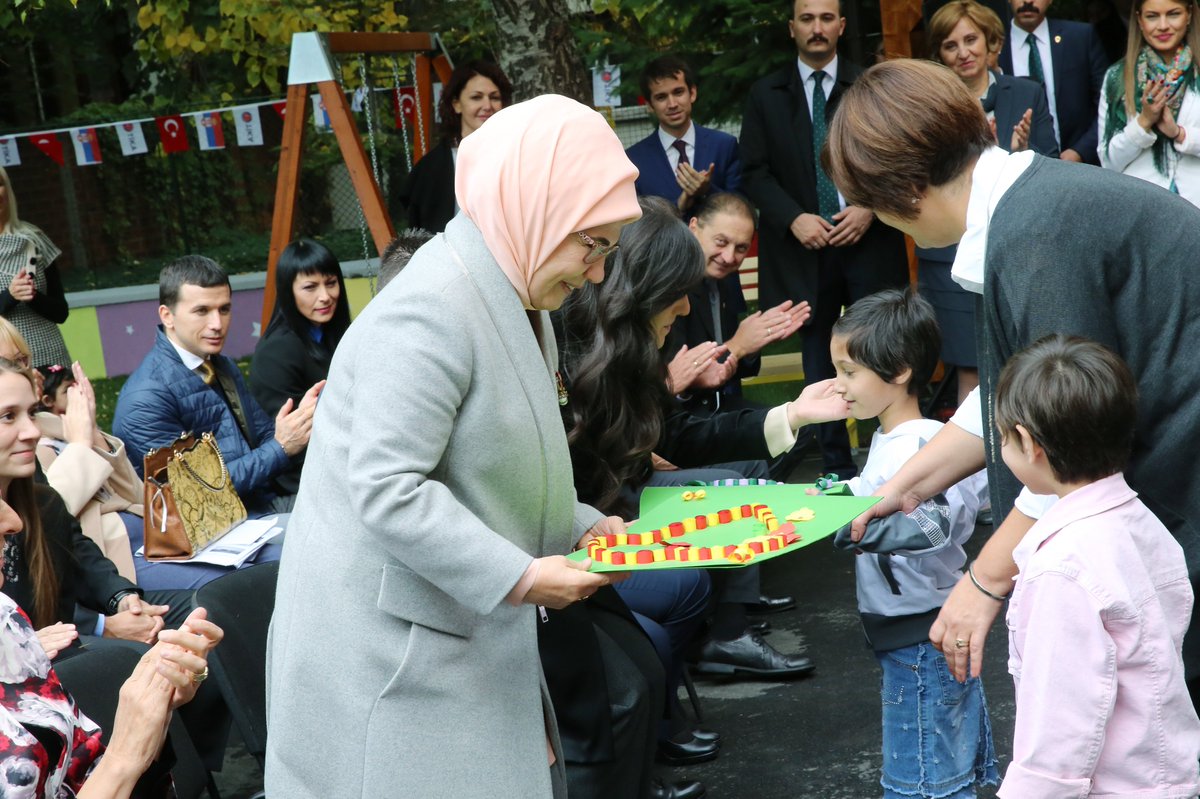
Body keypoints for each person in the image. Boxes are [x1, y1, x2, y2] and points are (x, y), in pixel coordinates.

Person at [266, 95, 638, 799]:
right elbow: (388, 488)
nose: (596, 272)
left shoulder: (511, 289)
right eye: (593, 244)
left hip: (450, 642)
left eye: (607, 250)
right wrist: (521, 577)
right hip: (391, 666)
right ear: (535, 210)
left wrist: (579, 524)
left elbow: (495, 463)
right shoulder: (429, 309)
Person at [821, 59, 1200, 708]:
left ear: (908, 190)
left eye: (875, 205)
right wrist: (901, 486)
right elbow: (1006, 392)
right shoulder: (1027, 204)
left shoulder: (1037, 235)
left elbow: (1066, 446)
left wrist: (984, 579)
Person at [559, 196, 850, 680]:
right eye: (679, 291)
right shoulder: (572, 348)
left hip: (622, 495)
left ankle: (724, 637)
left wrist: (793, 414)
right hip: (583, 523)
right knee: (687, 582)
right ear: (645, 287)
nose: (687, 304)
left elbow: (674, 433)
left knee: (739, 495)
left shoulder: (630, 341)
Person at [992, 335, 1200, 796]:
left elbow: (1060, 730)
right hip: (1165, 774)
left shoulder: (1062, 568)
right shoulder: (1143, 524)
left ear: (1027, 442)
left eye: (1003, 436)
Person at [828, 289, 997, 799]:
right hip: (914, 633)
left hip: (921, 638)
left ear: (899, 370)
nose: (839, 386)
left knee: (923, 782)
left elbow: (933, 526)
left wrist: (848, 525)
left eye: (849, 371)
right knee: (939, 773)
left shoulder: (919, 442)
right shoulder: (902, 439)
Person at [740, 0, 908, 480]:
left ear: (841, 25)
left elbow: (896, 157)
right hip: (804, 249)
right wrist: (793, 218)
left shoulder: (870, 85)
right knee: (819, 355)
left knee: (882, 345)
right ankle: (834, 464)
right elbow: (753, 171)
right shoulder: (766, 94)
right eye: (807, 18)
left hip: (868, 241)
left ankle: (893, 458)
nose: (817, 27)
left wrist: (869, 206)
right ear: (792, 27)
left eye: (827, 18)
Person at [0, 523, 222, 799]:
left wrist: (154, 707)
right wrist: (124, 756)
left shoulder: (5, 617)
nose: (14, 522)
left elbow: (79, 772)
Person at [922, 0, 1058, 404]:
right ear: (939, 54)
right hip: (951, 255)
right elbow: (924, 179)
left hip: (1018, 249)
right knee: (970, 368)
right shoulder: (929, 105)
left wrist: (1017, 153)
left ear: (990, 42)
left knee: (1029, 361)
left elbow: (1049, 167)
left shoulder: (1027, 92)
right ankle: (977, 449)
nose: (963, 52)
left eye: (971, 40)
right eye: (950, 45)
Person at [113, 256, 323, 515]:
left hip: (257, 508)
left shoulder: (220, 364)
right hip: (217, 530)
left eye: (224, 309)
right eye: (202, 311)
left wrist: (303, 422)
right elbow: (199, 491)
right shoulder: (145, 398)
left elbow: (266, 437)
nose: (217, 324)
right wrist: (280, 447)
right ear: (167, 316)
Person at [663, 193, 810, 418]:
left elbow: (736, 371)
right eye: (721, 242)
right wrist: (739, 344)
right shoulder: (671, 282)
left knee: (795, 425)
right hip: (677, 414)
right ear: (693, 228)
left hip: (715, 405)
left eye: (741, 248)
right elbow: (675, 373)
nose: (729, 257)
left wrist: (756, 339)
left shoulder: (723, 281)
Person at [250, 238, 350, 498]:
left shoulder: (333, 334)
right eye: (310, 287)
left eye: (331, 283)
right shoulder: (277, 352)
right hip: (304, 484)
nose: (325, 296)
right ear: (288, 291)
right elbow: (290, 442)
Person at [1099, 0, 1200, 204]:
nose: (1163, 25)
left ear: (1189, 15)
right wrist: (1143, 122)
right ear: (1139, 19)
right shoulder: (1118, 77)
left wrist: (1179, 133)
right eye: (1152, 16)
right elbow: (1108, 163)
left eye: (1173, 14)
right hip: (1141, 207)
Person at [398, 60, 512, 233]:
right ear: (456, 104)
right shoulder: (430, 168)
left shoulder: (516, 155)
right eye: (476, 97)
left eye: (495, 97)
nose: (487, 106)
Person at [625, 55, 742, 213]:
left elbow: (742, 208)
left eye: (678, 92)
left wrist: (708, 190)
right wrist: (678, 205)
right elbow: (634, 220)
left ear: (692, 93)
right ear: (650, 105)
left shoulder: (724, 146)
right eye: (661, 97)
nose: (672, 104)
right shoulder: (634, 160)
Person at [998, 0, 1109, 163]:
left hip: (1080, 164)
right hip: (1017, 165)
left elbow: (1107, 103)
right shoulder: (995, 46)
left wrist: (1080, 151)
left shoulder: (1080, 37)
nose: (1028, 1)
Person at [0, 167, 71, 369]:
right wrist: (10, 296)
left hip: (49, 359)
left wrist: (33, 297)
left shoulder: (34, 239)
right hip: (5, 367)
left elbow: (61, 313)